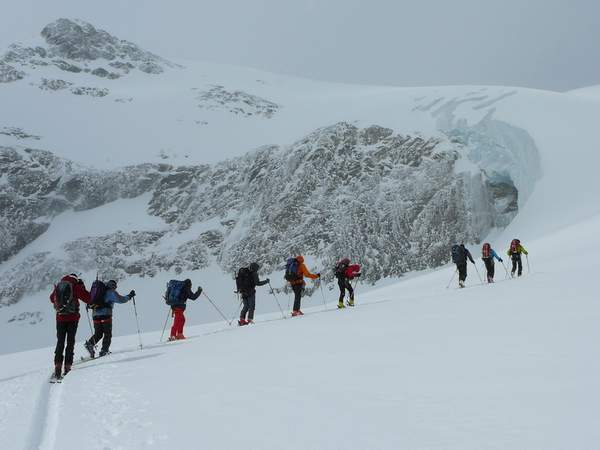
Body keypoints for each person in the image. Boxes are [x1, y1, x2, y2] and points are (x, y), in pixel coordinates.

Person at [49, 273, 91, 379]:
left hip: (60, 318)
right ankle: (67, 367)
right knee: (70, 341)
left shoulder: (60, 285)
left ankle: (57, 367)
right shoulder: (75, 286)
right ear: (76, 279)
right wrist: (82, 287)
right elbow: (88, 298)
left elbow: (51, 298)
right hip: (73, 318)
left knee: (60, 342)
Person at [84, 280, 135, 358]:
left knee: (98, 333)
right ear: (113, 286)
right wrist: (130, 296)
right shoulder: (111, 292)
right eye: (115, 286)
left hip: (95, 315)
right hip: (106, 315)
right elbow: (121, 300)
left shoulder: (100, 292)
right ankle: (104, 350)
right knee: (107, 333)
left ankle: (90, 344)